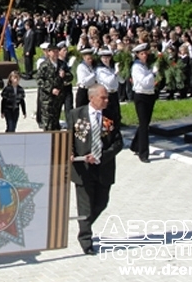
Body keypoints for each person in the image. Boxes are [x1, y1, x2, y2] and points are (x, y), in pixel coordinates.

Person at [67, 84, 123, 255]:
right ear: (92, 98)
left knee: (101, 202)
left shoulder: (111, 115)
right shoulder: (76, 114)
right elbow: (68, 136)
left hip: (103, 167)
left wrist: (102, 156)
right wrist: (69, 152)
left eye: (107, 97)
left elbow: (118, 142)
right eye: (103, 97)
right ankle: (86, 240)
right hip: (82, 168)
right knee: (84, 206)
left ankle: (85, 226)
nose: (107, 100)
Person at [130, 43, 158, 163]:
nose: (144, 55)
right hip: (141, 95)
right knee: (144, 125)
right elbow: (144, 82)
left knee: (145, 122)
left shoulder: (146, 65)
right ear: (137, 55)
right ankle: (143, 153)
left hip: (150, 95)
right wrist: (153, 74)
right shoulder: (136, 67)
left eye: (145, 53)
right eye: (141, 54)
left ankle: (135, 145)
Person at [36, 43, 73, 131]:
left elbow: (71, 76)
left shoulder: (62, 64)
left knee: (56, 122)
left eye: (57, 51)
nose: (55, 53)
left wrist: (64, 75)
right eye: (53, 52)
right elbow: (39, 80)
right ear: (49, 53)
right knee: (48, 123)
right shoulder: (44, 65)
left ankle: (55, 142)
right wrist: (51, 89)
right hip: (47, 99)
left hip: (58, 98)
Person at [94, 48, 122, 126]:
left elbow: (121, 81)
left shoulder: (112, 68)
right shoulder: (100, 70)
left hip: (114, 93)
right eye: (103, 58)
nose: (106, 60)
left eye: (107, 57)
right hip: (106, 94)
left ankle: (116, 134)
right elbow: (109, 82)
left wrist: (120, 72)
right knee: (107, 117)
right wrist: (116, 73)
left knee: (116, 116)